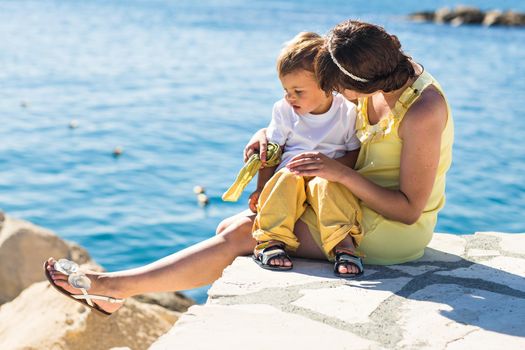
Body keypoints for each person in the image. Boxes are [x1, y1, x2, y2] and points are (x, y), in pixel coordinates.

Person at [44, 19, 453, 316]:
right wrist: (266, 132)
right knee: (229, 228)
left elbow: (408, 209)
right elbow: (319, 122)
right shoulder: (378, 67)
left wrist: (339, 172)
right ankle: (116, 290)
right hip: (341, 195)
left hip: (390, 226)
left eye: (335, 87)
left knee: (243, 233)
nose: (330, 92)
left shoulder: (421, 112)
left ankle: (112, 288)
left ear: (359, 85)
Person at [247, 31, 362, 274]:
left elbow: (354, 153)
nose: (290, 97)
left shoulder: (348, 112)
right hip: (293, 172)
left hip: (328, 175)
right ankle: (271, 240)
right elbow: (272, 152)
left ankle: (343, 245)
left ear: (327, 85)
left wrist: (334, 169)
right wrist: (260, 188)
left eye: (298, 92)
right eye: (286, 90)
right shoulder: (284, 110)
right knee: (287, 179)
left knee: (328, 186)